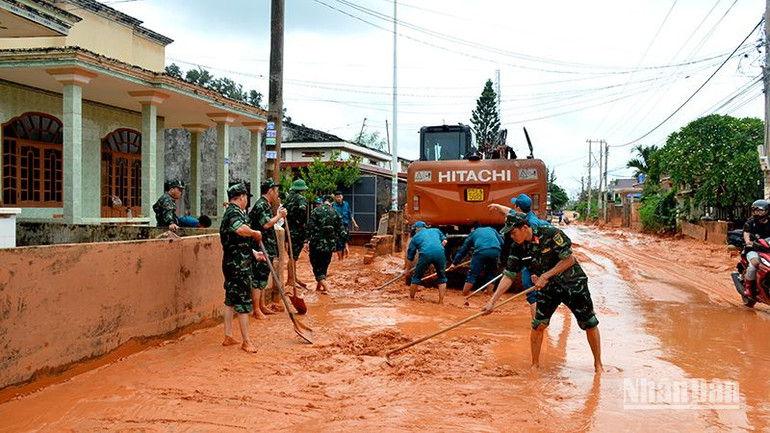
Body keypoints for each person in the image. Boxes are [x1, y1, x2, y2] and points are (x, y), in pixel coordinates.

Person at [483, 212, 603, 372]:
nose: (512, 236)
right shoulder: (517, 247)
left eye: (513, 232)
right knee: (538, 325)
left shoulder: (550, 233)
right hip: (548, 289)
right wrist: (492, 301)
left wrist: (545, 275)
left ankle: (598, 365)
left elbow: (569, 260)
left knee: (589, 322)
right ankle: (535, 366)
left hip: (573, 284)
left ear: (525, 227)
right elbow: (509, 275)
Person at [219, 183, 265, 353]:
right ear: (242, 197)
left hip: (234, 261)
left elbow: (234, 240)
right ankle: (246, 341)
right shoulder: (234, 212)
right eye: (246, 197)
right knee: (244, 301)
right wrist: (254, 233)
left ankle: (228, 336)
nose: (247, 201)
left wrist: (253, 252)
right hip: (238, 266)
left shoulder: (231, 212)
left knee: (230, 299)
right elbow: (239, 229)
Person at [489, 193, 551, 318]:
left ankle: (538, 322)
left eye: (513, 233)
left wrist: (539, 271)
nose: (512, 236)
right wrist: (496, 206)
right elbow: (508, 211)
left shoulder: (532, 225)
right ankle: (537, 324)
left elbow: (542, 250)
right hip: (529, 257)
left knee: (533, 289)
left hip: (544, 257)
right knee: (529, 285)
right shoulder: (518, 217)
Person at [248, 179, 288, 319]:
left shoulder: (265, 204)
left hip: (266, 246)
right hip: (260, 247)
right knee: (258, 278)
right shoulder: (261, 205)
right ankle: (256, 309)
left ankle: (262, 305)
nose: (277, 194)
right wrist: (280, 216)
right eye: (276, 191)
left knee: (263, 277)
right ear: (270, 191)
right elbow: (266, 224)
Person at [448, 222, 504, 296]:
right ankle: (489, 293)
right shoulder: (492, 229)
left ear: (472, 229)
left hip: (481, 252)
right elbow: (502, 242)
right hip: (495, 251)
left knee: (472, 273)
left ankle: (464, 294)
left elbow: (463, 250)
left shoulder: (473, 233)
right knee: (491, 273)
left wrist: (454, 263)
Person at [307, 195, 347, 293]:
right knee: (324, 265)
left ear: (323, 201)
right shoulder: (335, 212)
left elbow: (309, 228)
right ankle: (319, 287)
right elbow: (342, 231)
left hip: (316, 245)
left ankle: (326, 288)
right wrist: (345, 244)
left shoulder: (315, 211)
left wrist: (305, 241)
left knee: (316, 266)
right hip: (329, 246)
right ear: (331, 203)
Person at [406, 221, 448, 304]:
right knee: (442, 277)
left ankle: (411, 299)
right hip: (440, 253)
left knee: (416, 277)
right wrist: (440, 246)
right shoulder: (436, 230)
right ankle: (441, 301)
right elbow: (445, 241)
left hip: (425, 254)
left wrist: (407, 269)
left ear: (417, 229)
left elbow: (410, 255)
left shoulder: (415, 237)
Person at [284, 179, 309, 288]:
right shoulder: (301, 199)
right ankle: (290, 280)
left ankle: (294, 277)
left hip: (289, 228)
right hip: (297, 230)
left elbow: (284, 209)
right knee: (293, 256)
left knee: (292, 255)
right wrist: (302, 224)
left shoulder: (289, 198)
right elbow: (302, 211)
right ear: (302, 190)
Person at [742, 199, 770, 297]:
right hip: (754, 249)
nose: (758, 212)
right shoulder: (750, 222)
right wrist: (748, 242)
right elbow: (746, 233)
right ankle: (748, 287)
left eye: (761, 210)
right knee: (755, 264)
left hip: (767, 249)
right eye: (756, 210)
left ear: (767, 211)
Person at [332, 190, 359, 260]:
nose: (338, 198)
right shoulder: (333, 205)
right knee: (338, 243)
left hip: (345, 225)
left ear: (342, 197)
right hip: (337, 226)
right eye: (337, 197)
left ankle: (345, 255)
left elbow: (350, 214)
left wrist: (355, 224)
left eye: (340, 197)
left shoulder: (346, 204)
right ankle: (340, 259)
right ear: (335, 198)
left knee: (346, 239)